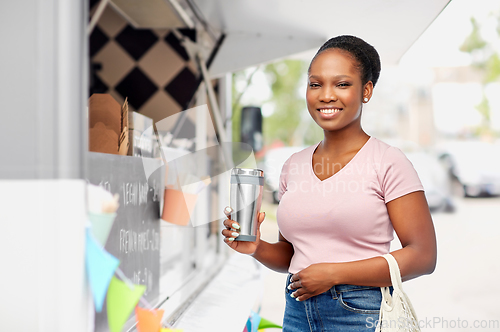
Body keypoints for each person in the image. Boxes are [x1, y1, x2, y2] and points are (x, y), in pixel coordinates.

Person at [222, 35, 437, 332]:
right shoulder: (293, 165)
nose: (326, 95)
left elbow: (423, 256)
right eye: (315, 84)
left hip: (360, 314)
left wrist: (333, 274)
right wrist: (256, 246)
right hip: (297, 311)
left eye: (342, 84)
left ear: (366, 91)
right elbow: (292, 255)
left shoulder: (388, 161)